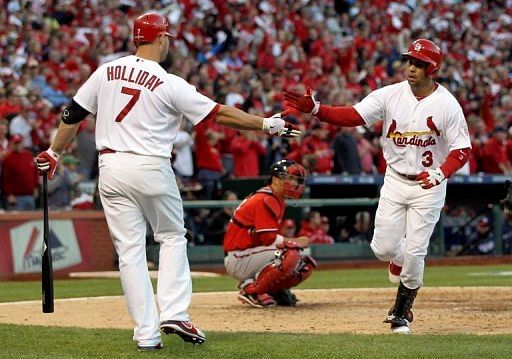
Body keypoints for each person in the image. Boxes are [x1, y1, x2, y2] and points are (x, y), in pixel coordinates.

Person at [35, 12, 299, 352]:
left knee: (130, 253)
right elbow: (220, 113)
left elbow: (72, 114)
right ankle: (174, 312)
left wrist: (54, 152)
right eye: (167, 37)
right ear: (161, 38)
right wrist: (267, 124)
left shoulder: (106, 71)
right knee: (172, 236)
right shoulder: (168, 82)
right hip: (150, 165)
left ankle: (146, 333)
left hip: (110, 167)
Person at [284, 39, 471, 334]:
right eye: (410, 61)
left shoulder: (447, 104)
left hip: (429, 185)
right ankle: (397, 259)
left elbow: (462, 149)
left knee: (416, 251)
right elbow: (356, 116)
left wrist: (441, 173)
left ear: (432, 69)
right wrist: (318, 109)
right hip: (395, 180)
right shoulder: (390, 95)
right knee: (382, 249)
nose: (411, 67)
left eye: (419, 64)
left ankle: (401, 311)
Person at [223, 159, 316, 308]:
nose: (294, 183)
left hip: (249, 253)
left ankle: (274, 290)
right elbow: (268, 239)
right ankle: (252, 290)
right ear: (275, 179)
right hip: (239, 257)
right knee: (291, 253)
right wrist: (295, 241)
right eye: (289, 178)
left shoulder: (275, 198)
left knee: (304, 262)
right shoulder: (266, 199)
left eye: (296, 179)